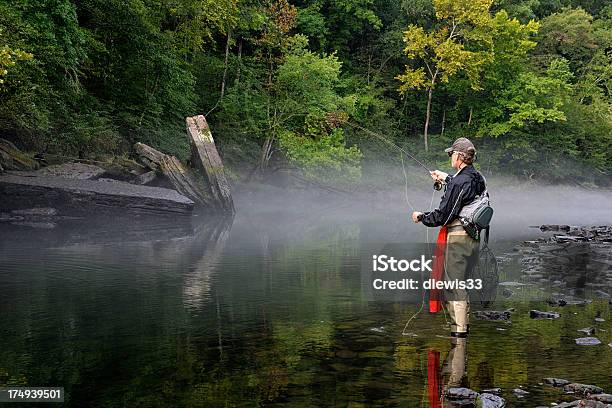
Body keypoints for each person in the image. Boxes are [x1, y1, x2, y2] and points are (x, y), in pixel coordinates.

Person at [411, 137, 486, 338]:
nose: (450, 157)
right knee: (459, 282)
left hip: (459, 238)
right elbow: (464, 190)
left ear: (460, 156)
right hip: (473, 238)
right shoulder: (478, 177)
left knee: (453, 284)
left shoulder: (461, 181)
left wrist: (422, 217)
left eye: (451, 153)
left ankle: (459, 335)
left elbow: (444, 215)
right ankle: (461, 330)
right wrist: (446, 179)